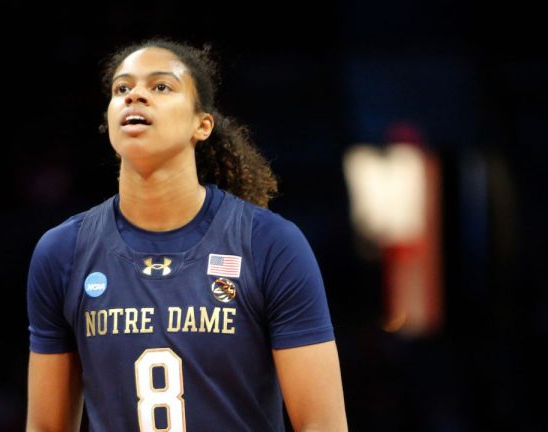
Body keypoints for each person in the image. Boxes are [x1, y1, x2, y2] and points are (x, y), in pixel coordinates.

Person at [25, 38, 348, 432]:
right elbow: (46, 427)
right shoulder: (63, 251)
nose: (135, 96)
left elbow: (323, 423)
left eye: (160, 86)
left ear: (202, 125)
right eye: (122, 89)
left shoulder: (270, 244)